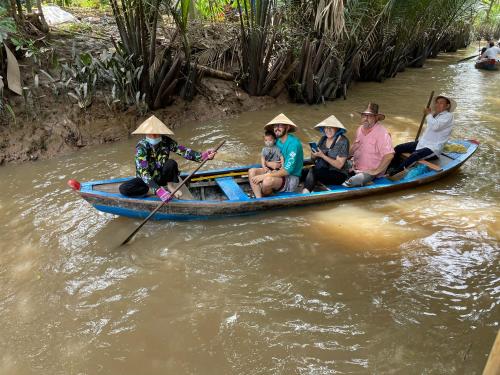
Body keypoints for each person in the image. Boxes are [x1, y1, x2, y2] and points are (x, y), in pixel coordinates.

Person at [119, 115, 216, 202]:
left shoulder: (166, 141)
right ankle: (151, 191)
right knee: (124, 188)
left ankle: (170, 187)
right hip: (147, 181)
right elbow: (144, 173)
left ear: (160, 133)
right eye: (150, 134)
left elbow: (182, 150)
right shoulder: (141, 147)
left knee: (171, 163)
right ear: (146, 134)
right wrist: (158, 191)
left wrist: (203, 156)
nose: (153, 136)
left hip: (162, 176)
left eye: (156, 134)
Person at [389, 94, 456, 176]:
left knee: (415, 155)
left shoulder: (448, 116)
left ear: (447, 106)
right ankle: (391, 167)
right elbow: (428, 131)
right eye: (437, 103)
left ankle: (396, 171)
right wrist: (430, 114)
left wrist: (428, 114)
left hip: (433, 148)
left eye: (441, 103)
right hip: (422, 143)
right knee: (398, 148)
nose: (438, 105)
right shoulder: (435, 115)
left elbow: (435, 127)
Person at [248, 113, 304, 198]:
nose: (277, 128)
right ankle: (259, 199)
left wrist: (265, 175)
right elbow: (265, 156)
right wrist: (269, 164)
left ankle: (266, 194)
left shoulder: (293, 144)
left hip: (291, 178)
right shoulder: (276, 140)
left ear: (287, 127)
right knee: (252, 171)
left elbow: (286, 171)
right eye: (275, 126)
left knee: (267, 181)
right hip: (275, 171)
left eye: (280, 126)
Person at [342, 103, 394, 187]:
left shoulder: (382, 133)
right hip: (355, 165)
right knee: (333, 167)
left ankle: (367, 181)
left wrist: (376, 171)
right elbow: (354, 147)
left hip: (370, 171)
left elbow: (389, 155)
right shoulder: (359, 129)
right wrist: (346, 156)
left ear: (376, 118)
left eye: (369, 116)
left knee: (351, 182)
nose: (366, 119)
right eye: (364, 115)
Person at [302, 115, 349, 193]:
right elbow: (313, 160)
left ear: (337, 129)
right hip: (323, 169)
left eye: (331, 128)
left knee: (314, 171)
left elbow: (339, 165)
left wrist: (322, 156)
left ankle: (305, 193)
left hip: (339, 174)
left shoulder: (343, 141)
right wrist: (314, 154)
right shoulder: (323, 139)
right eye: (326, 128)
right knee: (303, 172)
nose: (328, 130)